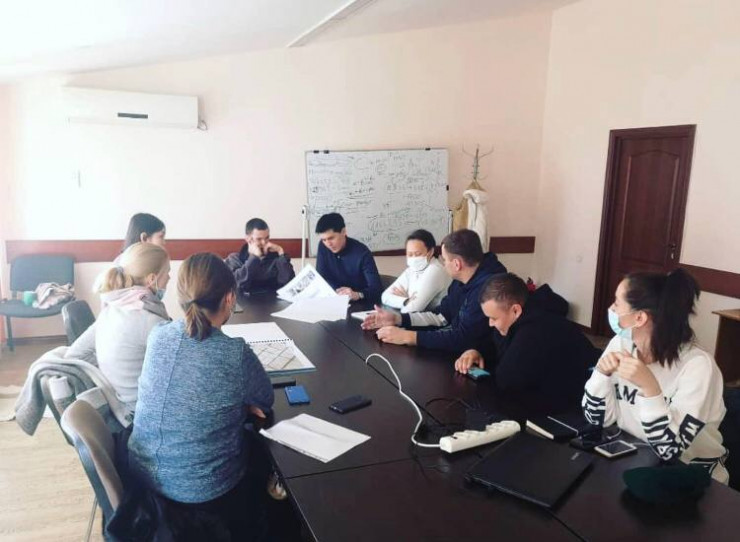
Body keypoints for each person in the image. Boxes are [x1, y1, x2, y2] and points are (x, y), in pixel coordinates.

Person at [128, 253, 275, 537]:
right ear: (230, 298)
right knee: (262, 458)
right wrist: (241, 405)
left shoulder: (158, 335)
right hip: (204, 494)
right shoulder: (235, 353)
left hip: (141, 477)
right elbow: (265, 400)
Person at [582, 269, 728, 483]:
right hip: (634, 461)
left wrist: (650, 389)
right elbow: (598, 421)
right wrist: (600, 377)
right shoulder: (621, 344)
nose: (611, 309)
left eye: (617, 303)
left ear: (639, 318)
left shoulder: (698, 366)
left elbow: (669, 450)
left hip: (690, 478)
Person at [454, 273, 599, 415]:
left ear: (515, 310)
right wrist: (477, 351)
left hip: (584, 402)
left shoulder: (534, 332)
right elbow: (497, 346)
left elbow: (506, 382)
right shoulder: (524, 314)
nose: (490, 324)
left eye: (494, 318)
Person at [66, 242, 170, 416]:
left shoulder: (111, 310)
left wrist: (113, 373)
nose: (169, 278)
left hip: (121, 407)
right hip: (144, 414)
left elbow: (74, 355)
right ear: (152, 279)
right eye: (167, 273)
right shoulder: (151, 322)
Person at [362, 229, 506, 353]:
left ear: (457, 264)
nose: (443, 264)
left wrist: (409, 337)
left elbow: (464, 339)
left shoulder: (489, 290)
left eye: (444, 260)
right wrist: (398, 319)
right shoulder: (460, 281)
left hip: (483, 361)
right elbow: (441, 316)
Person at [315, 212, 382, 303]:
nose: (328, 244)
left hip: (360, 304)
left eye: (331, 238)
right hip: (335, 300)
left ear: (343, 232)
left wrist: (358, 294)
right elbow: (321, 277)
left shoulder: (362, 253)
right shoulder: (323, 246)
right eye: (324, 240)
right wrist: (336, 291)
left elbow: (376, 289)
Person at [381, 229, 451, 313]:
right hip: (417, 317)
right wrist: (406, 301)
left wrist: (406, 302)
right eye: (410, 254)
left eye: (418, 254)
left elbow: (411, 310)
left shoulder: (436, 270)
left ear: (430, 252)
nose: (413, 258)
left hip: (437, 319)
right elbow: (385, 297)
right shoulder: (411, 270)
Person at [224, 217, 295, 295]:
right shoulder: (234, 259)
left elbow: (289, 285)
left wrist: (281, 253)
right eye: (259, 239)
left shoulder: (276, 259)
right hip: (245, 302)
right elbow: (236, 286)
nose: (264, 242)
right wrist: (254, 258)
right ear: (248, 239)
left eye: (267, 238)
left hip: (273, 301)